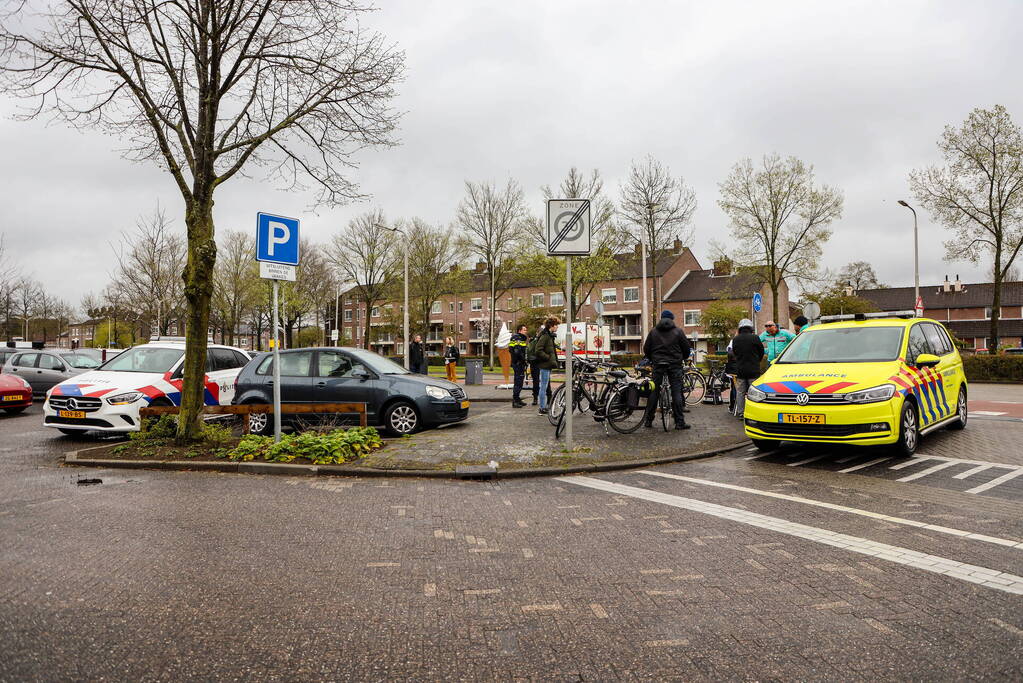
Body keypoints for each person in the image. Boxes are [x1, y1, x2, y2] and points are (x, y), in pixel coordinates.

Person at [642, 310, 692, 430]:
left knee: (654, 391)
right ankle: (679, 422)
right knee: (676, 392)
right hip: (675, 365)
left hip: (658, 365)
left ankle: (648, 420)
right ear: (672, 319)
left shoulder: (653, 331)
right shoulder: (678, 331)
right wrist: (682, 358)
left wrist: (652, 359)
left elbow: (646, 349)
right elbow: (686, 349)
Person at [730, 318, 765, 418]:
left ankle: (741, 413)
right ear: (750, 327)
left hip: (740, 370)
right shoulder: (755, 338)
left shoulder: (736, 339)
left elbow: (734, 353)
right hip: (754, 370)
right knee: (754, 393)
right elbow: (761, 352)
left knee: (740, 392)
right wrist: (756, 361)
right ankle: (753, 413)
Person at [532, 316, 561, 415]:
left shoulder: (549, 335)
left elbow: (550, 347)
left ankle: (544, 406)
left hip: (547, 365)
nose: (557, 327)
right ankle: (542, 408)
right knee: (543, 386)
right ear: (552, 326)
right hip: (545, 365)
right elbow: (538, 350)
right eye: (556, 325)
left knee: (545, 386)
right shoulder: (545, 336)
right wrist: (547, 357)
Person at [527, 325, 552, 406]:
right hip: (536, 363)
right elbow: (530, 352)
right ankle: (536, 398)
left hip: (541, 363)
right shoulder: (534, 341)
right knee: (537, 381)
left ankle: (548, 397)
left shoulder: (545, 340)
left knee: (545, 381)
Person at [509, 324, 529, 408]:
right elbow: (517, 351)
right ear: (520, 331)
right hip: (518, 363)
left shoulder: (519, 338)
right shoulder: (518, 338)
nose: (526, 331)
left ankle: (517, 399)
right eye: (524, 330)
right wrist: (523, 361)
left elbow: (511, 349)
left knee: (519, 382)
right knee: (518, 382)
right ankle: (515, 401)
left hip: (518, 363)